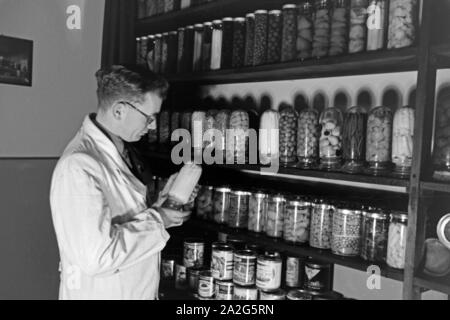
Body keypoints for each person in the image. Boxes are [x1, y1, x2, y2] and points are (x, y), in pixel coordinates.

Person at [50, 65, 194, 300]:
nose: (154, 126)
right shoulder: (78, 167)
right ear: (119, 111)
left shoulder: (124, 151)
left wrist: (162, 204)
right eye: (150, 118)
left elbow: (125, 215)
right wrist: (160, 220)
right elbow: (97, 257)